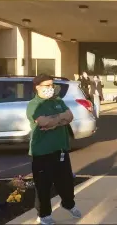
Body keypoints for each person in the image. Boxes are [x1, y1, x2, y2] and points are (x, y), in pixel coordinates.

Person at [27, 74, 81, 225]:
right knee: (43, 186)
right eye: (47, 86)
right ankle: (44, 215)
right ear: (37, 87)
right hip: (42, 152)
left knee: (66, 182)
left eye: (52, 85)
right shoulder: (34, 104)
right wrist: (59, 120)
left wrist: (53, 122)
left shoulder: (58, 101)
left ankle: (68, 204)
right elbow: (42, 122)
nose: (51, 88)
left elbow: (69, 116)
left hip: (61, 149)